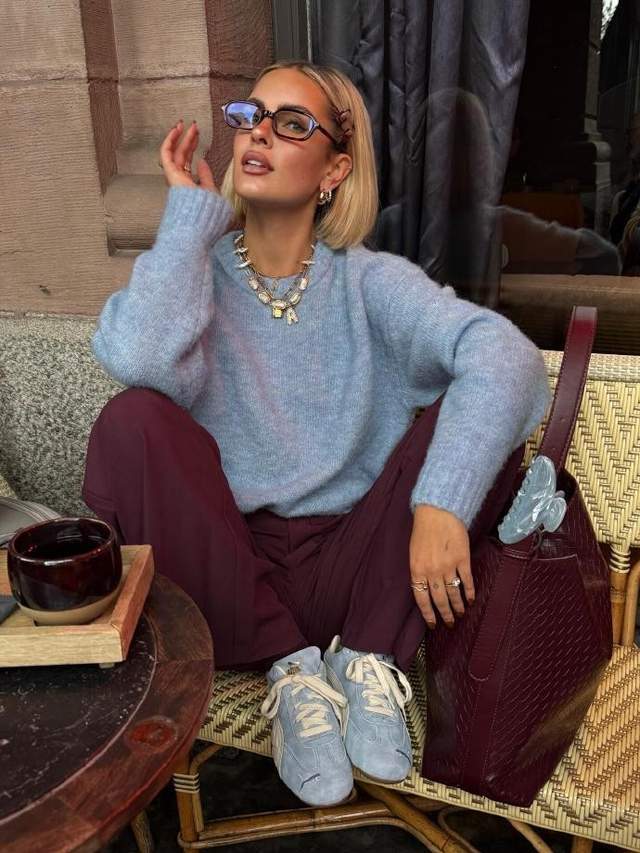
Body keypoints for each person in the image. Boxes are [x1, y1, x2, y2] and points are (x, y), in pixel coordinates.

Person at [82, 60, 551, 808]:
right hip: (233, 571)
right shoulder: (194, 275)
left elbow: (509, 359)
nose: (260, 133)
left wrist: (441, 505)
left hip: (359, 569)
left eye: (292, 123)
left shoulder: (369, 281)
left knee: (476, 423)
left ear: (335, 169)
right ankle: (293, 672)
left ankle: (367, 659)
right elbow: (137, 359)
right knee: (132, 419)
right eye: (250, 116)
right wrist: (189, 221)